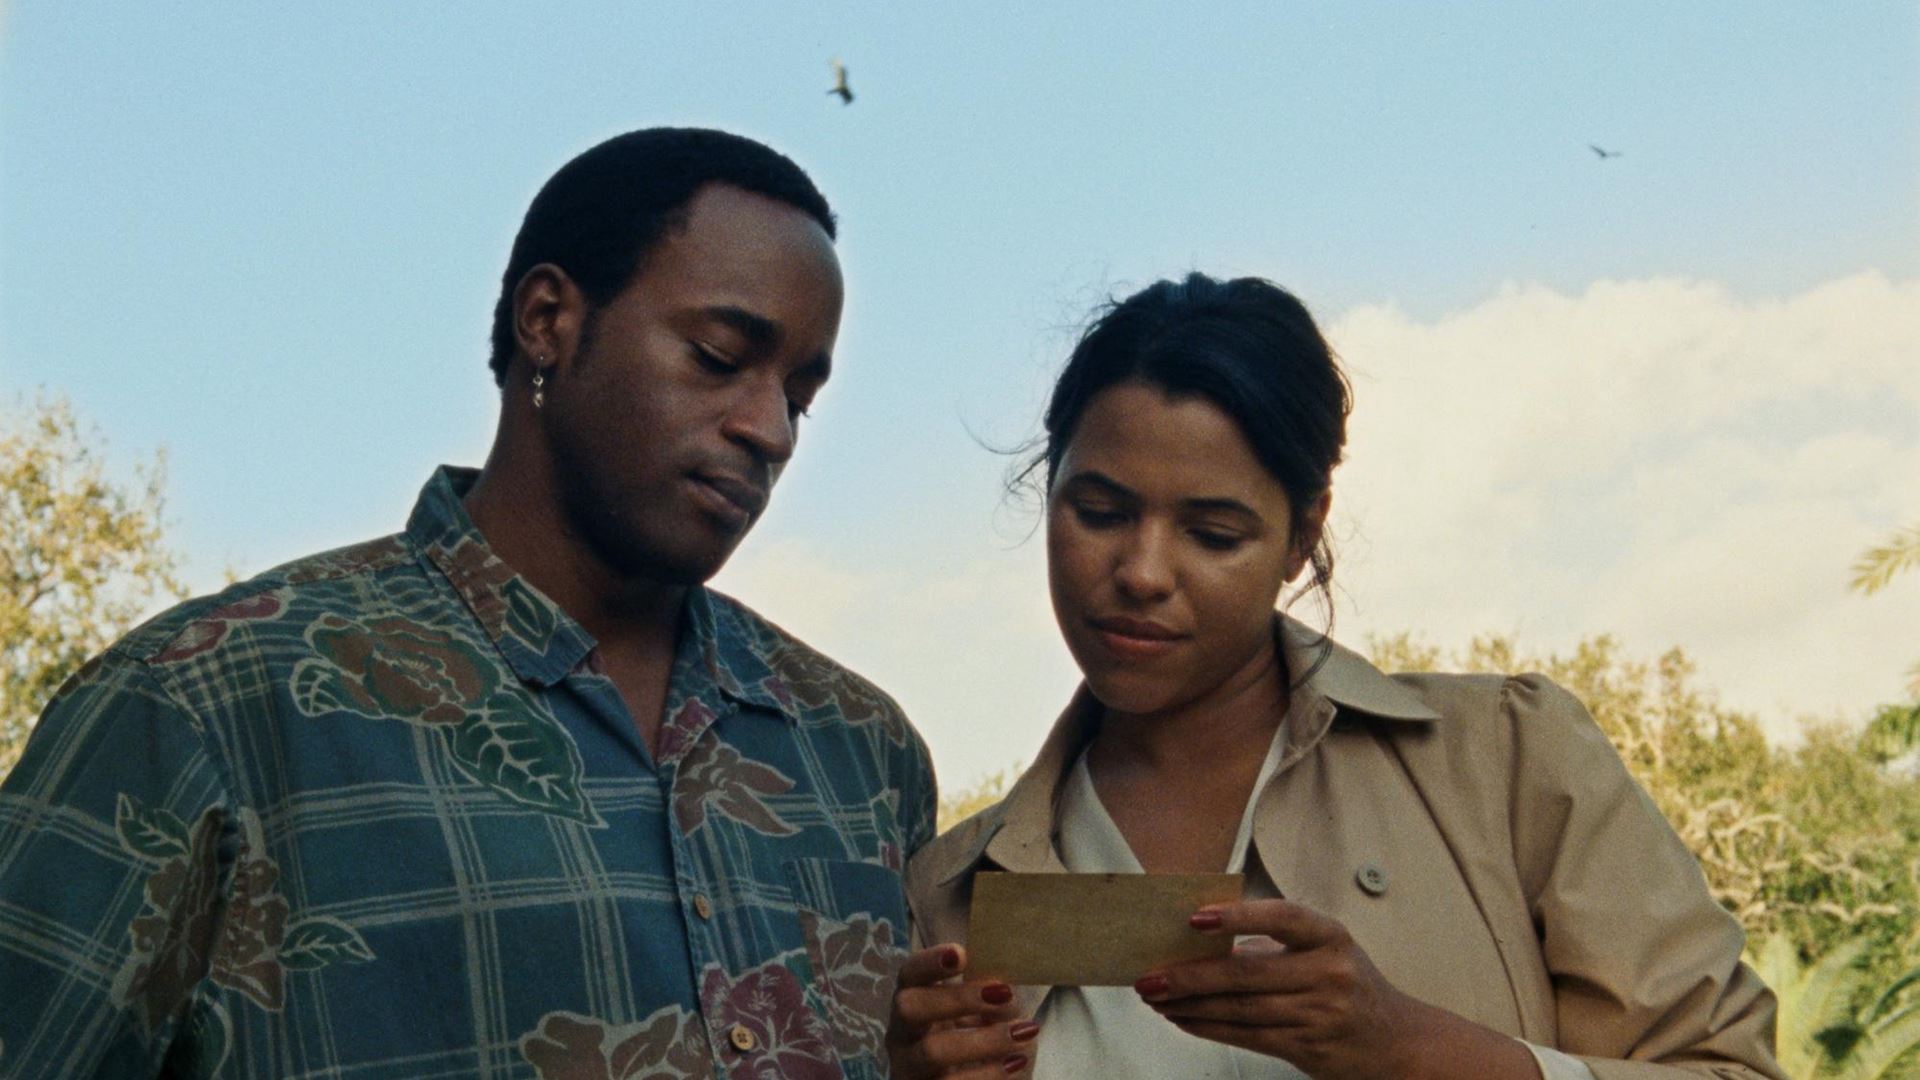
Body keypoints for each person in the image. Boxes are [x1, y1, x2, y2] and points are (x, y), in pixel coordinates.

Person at [0, 127, 934, 1079]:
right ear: (547, 319)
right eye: (717, 355)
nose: (770, 431)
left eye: (800, 399)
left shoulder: (864, 752)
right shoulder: (201, 708)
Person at [887, 274, 1784, 1079]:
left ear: (1302, 537)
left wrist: (1407, 1049)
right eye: (1099, 512)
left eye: (1213, 534)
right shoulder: (951, 895)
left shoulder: (1506, 764)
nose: (1143, 573)